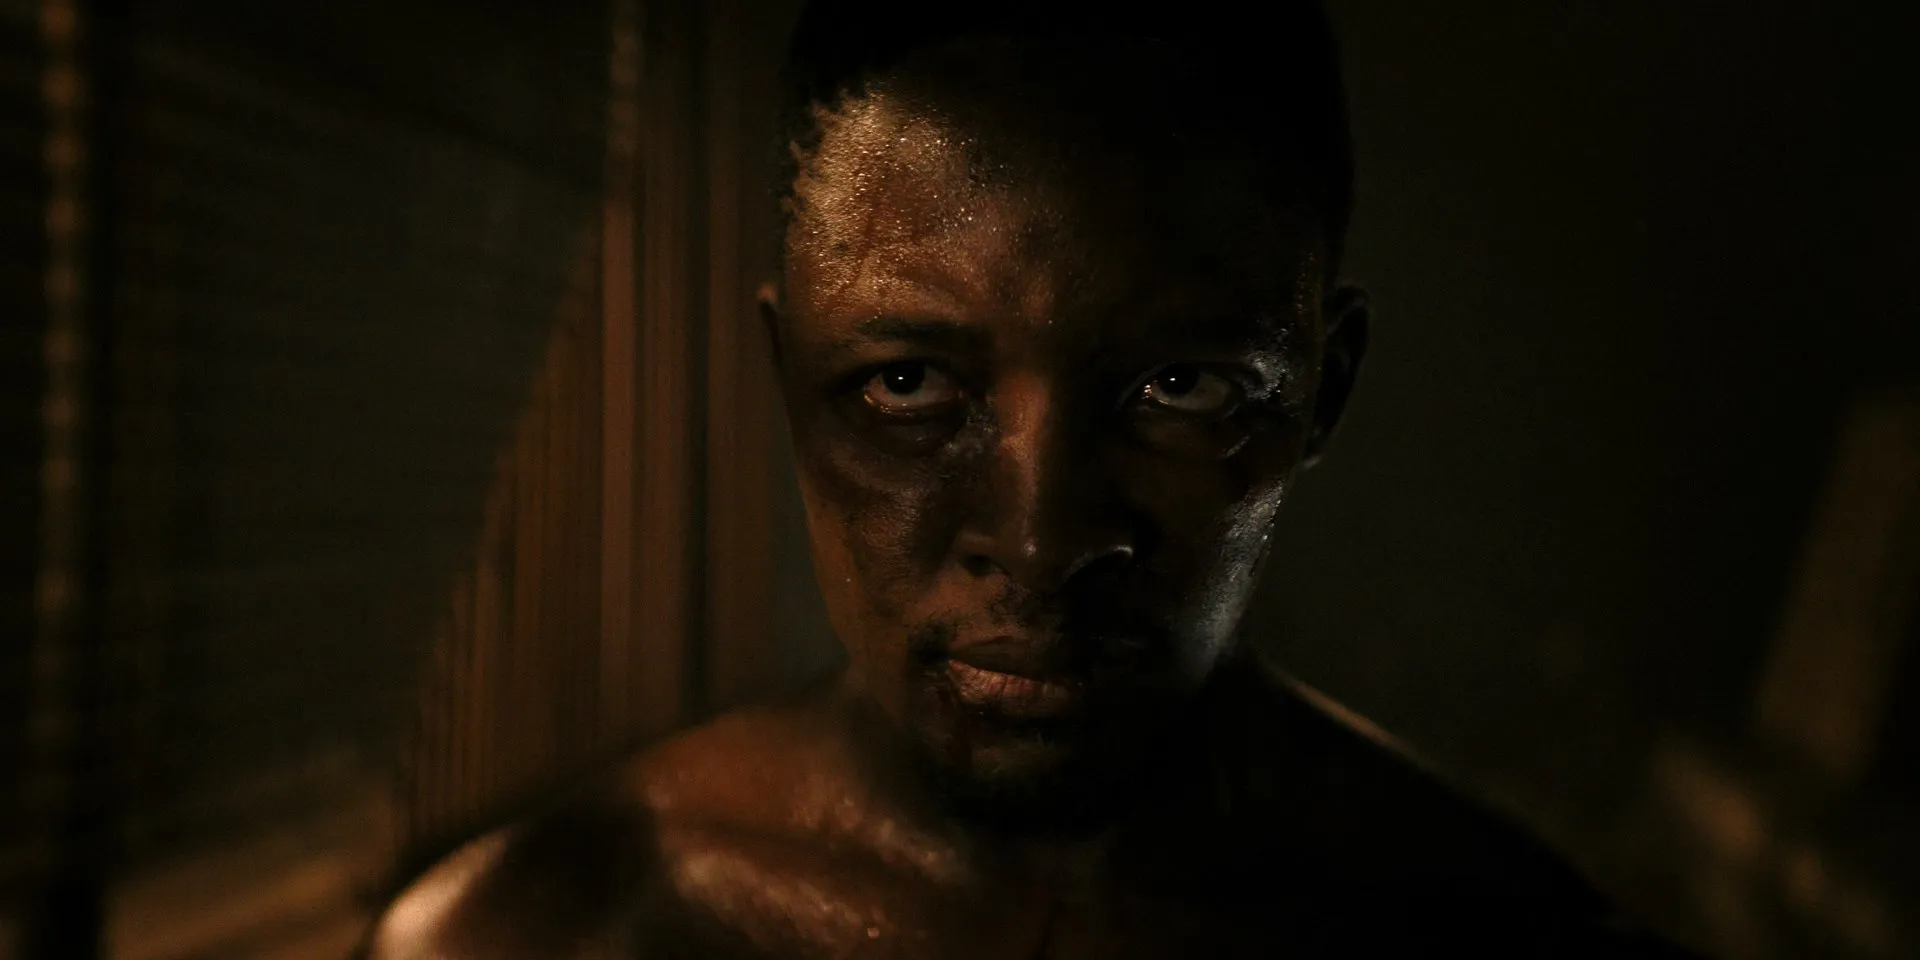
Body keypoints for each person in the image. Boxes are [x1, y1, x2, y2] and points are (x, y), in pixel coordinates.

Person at [367, 1, 1695, 955]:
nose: (1042, 537)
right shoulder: (543, 934)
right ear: (789, 376)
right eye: (906, 385)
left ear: (1322, 391)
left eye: (1179, 388)